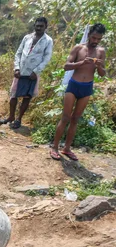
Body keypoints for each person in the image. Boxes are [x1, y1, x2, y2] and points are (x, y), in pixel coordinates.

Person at [50, 23, 107, 161]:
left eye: (98, 39)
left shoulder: (101, 52)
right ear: (89, 35)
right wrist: (80, 63)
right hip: (74, 85)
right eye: (94, 38)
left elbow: (102, 74)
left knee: (76, 119)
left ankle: (67, 148)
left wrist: (99, 66)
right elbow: (66, 66)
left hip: (87, 87)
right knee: (65, 117)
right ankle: (55, 147)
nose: (95, 41)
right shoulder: (78, 48)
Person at [0, 17, 53, 129]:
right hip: (20, 71)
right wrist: (16, 68)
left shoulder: (48, 41)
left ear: (46, 27)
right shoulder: (27, 37)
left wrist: (36, 71)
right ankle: (11, 117)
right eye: (37, 26)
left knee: (27, 97)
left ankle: (19, 119)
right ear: (34, 26)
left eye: (41, 26)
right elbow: (18, 53)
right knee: (13, 95)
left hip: (32, 74)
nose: (39, 28)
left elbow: (46, 58)